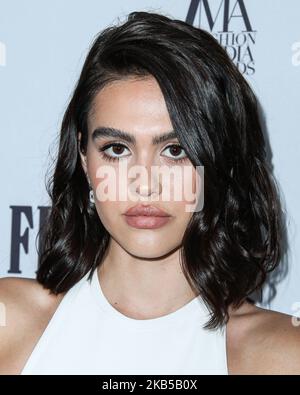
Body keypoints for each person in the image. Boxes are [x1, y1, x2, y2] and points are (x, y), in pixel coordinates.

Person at [0, 11, 300, 375]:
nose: (145, 183)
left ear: (218, 161)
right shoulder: (10, 322)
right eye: (116, 149)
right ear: (83, 157)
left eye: (175, 151)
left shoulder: (284, 355)